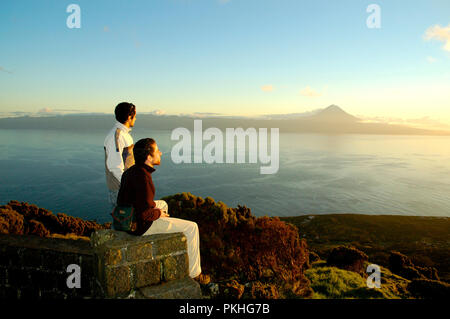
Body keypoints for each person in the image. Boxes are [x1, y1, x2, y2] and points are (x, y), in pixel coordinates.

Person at [116, 138, 202, 279]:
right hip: (139, 226)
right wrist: (157, 213)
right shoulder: (144, 178)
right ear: (149, 157)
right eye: (157, 151)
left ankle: (164, 235)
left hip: (126, 217)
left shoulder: (131, 171)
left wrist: (157, 210)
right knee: (192, 228)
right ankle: (195, 274)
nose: (160, 153)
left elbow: (132, 201)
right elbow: (145, 214)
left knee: (162, 204)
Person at [104, 102, 136, 209]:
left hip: (124, 188)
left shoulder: (123, 135)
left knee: (127, 222)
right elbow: (115, 166)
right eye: (134, 117)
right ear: (129, 117)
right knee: (123, 222)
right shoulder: (116, 137)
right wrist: (129, 187)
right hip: (121, 190)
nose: (135, 119)